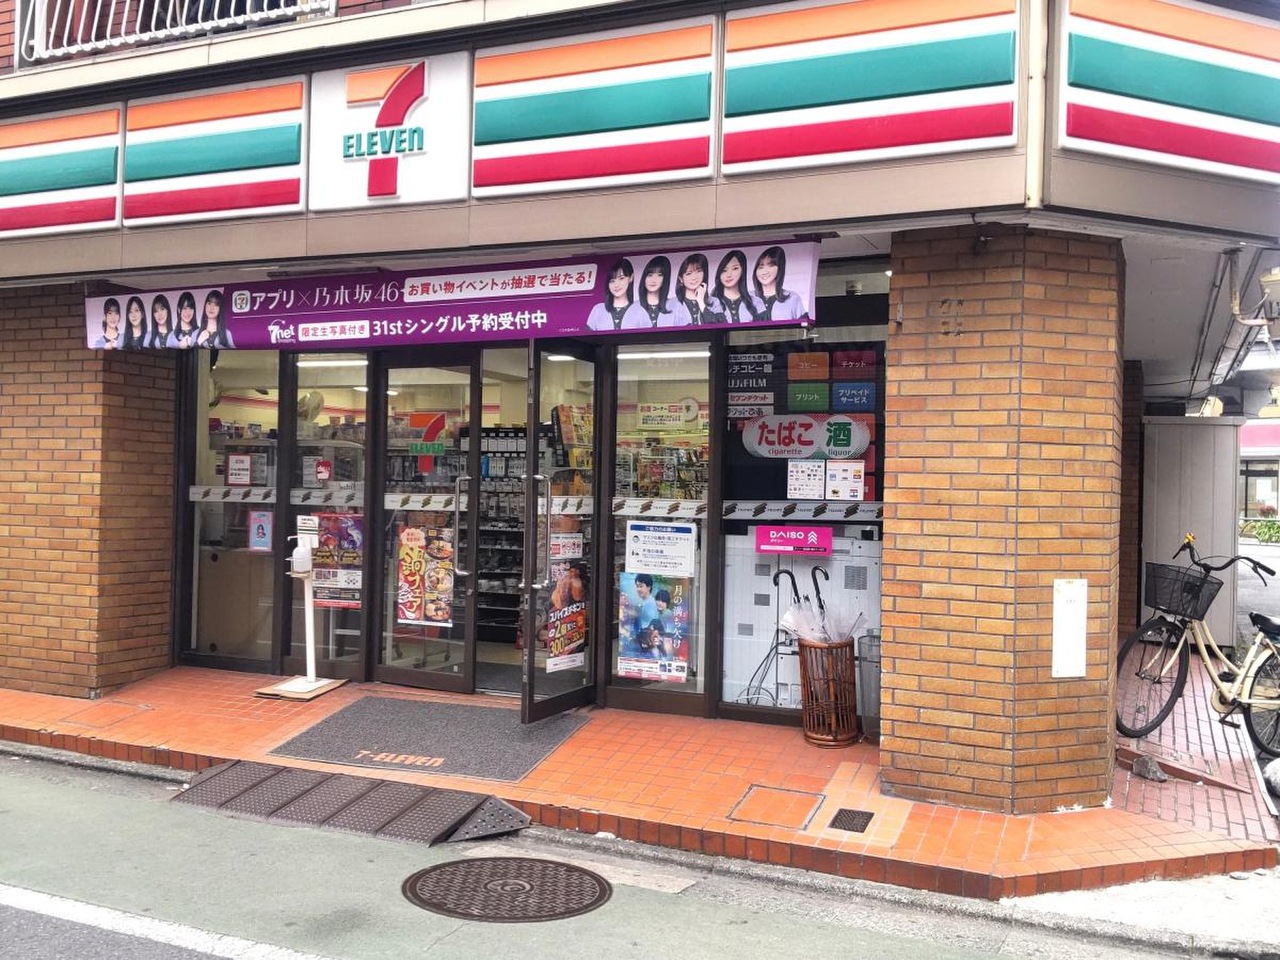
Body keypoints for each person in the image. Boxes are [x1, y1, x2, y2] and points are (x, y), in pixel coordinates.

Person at [586, 258, 647, 331]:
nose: (616, 285)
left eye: (621, 278)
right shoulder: (598, 309)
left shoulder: (640, 308)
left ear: (631, 277)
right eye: (612, 281)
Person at [752, 246, 806, 321]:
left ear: (780, 268)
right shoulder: (746, 298)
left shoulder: (792, 298)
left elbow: (803, 325)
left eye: (771, 265)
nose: (765, 271)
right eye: (761, 267)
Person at [713, 249, 764, 324]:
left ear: (742, 270)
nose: (729, 275)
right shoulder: (711, 303)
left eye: (735, 268)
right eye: (724, 270)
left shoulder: (756, 302)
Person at [672, 253, 721, 326]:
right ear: (681, 279)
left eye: (698, 271)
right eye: (688, 273)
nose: (694, 277)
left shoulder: (714, 302)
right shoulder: (672, 304)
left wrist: (701, 303)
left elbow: (720, 326)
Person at [635, 256, 679, 328]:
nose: (653, 280)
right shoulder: (634, 308)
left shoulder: (674, 306)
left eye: (659, 275)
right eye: (650, 275)